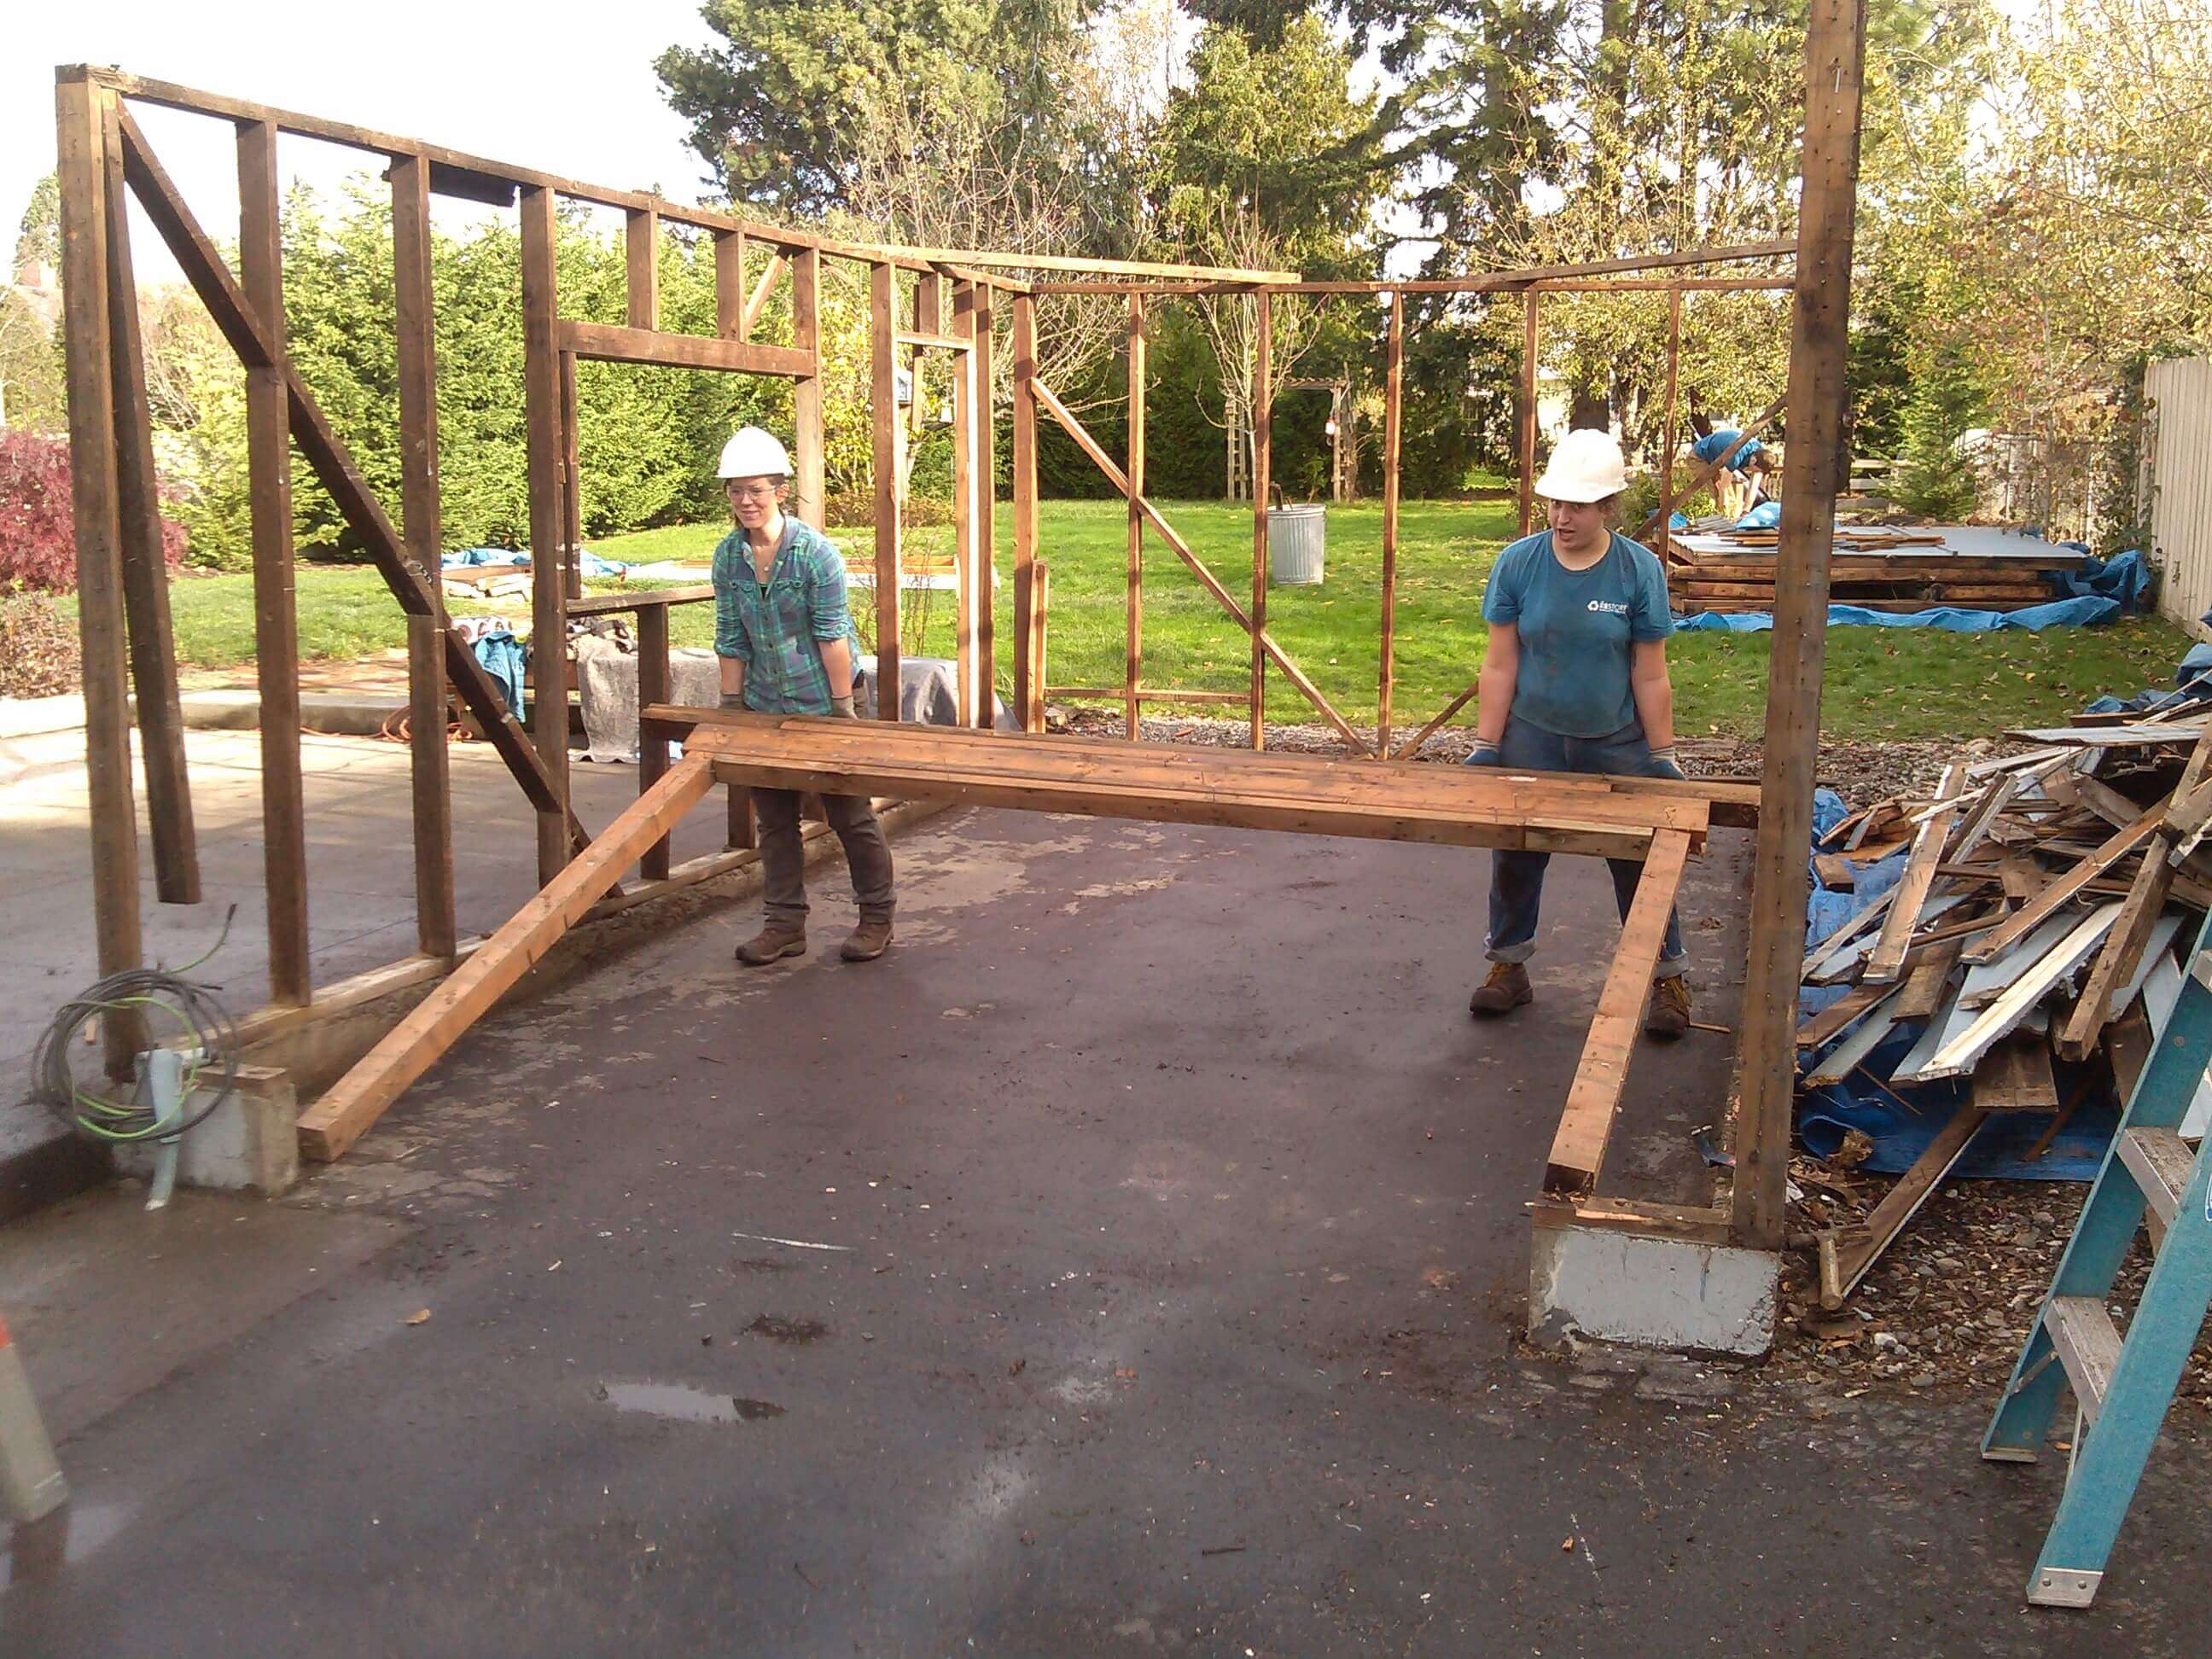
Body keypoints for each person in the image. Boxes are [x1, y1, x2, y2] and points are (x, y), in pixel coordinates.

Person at [1464, 428, 1692, 1040]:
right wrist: (1488, 745)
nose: (1562, 517)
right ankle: (1508, 968)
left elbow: (1650, 671)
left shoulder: (1637, 571)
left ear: (1608, 508)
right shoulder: (1519, 563)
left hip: (1614, 740)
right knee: (1515, 850)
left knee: (1638, 860)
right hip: (1532, 736)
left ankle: (1667, 979)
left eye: (1578, 506)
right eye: (1555, 503)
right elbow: (1500, 662)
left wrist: (1661, 755)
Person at [710, 427, 896, 967]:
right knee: (774, 817)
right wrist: (731, 704)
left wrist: (842, 711)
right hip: (767, 701)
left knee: (850, 814)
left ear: (780, 491)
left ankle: (876, 918)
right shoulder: (729, 557)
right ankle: (784, 925)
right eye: (736, 491)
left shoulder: (815, 554)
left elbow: (831, 633)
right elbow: (730, 633)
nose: (745, 501)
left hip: (825, 695)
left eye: (756, 490)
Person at [1690, 426, 1771, 521]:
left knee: (1731, 501)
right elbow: (1723, 488)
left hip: (1716, 460)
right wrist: (1724, 516)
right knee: (1712, 496)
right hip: (1699, 457)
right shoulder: (1737, 454)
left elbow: (1753, 488)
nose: (1754, 473)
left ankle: (1726, 519)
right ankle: (1714, 523)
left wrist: (1746, 511)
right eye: (1755, 470)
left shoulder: (1760, 454)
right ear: (1753, 460)